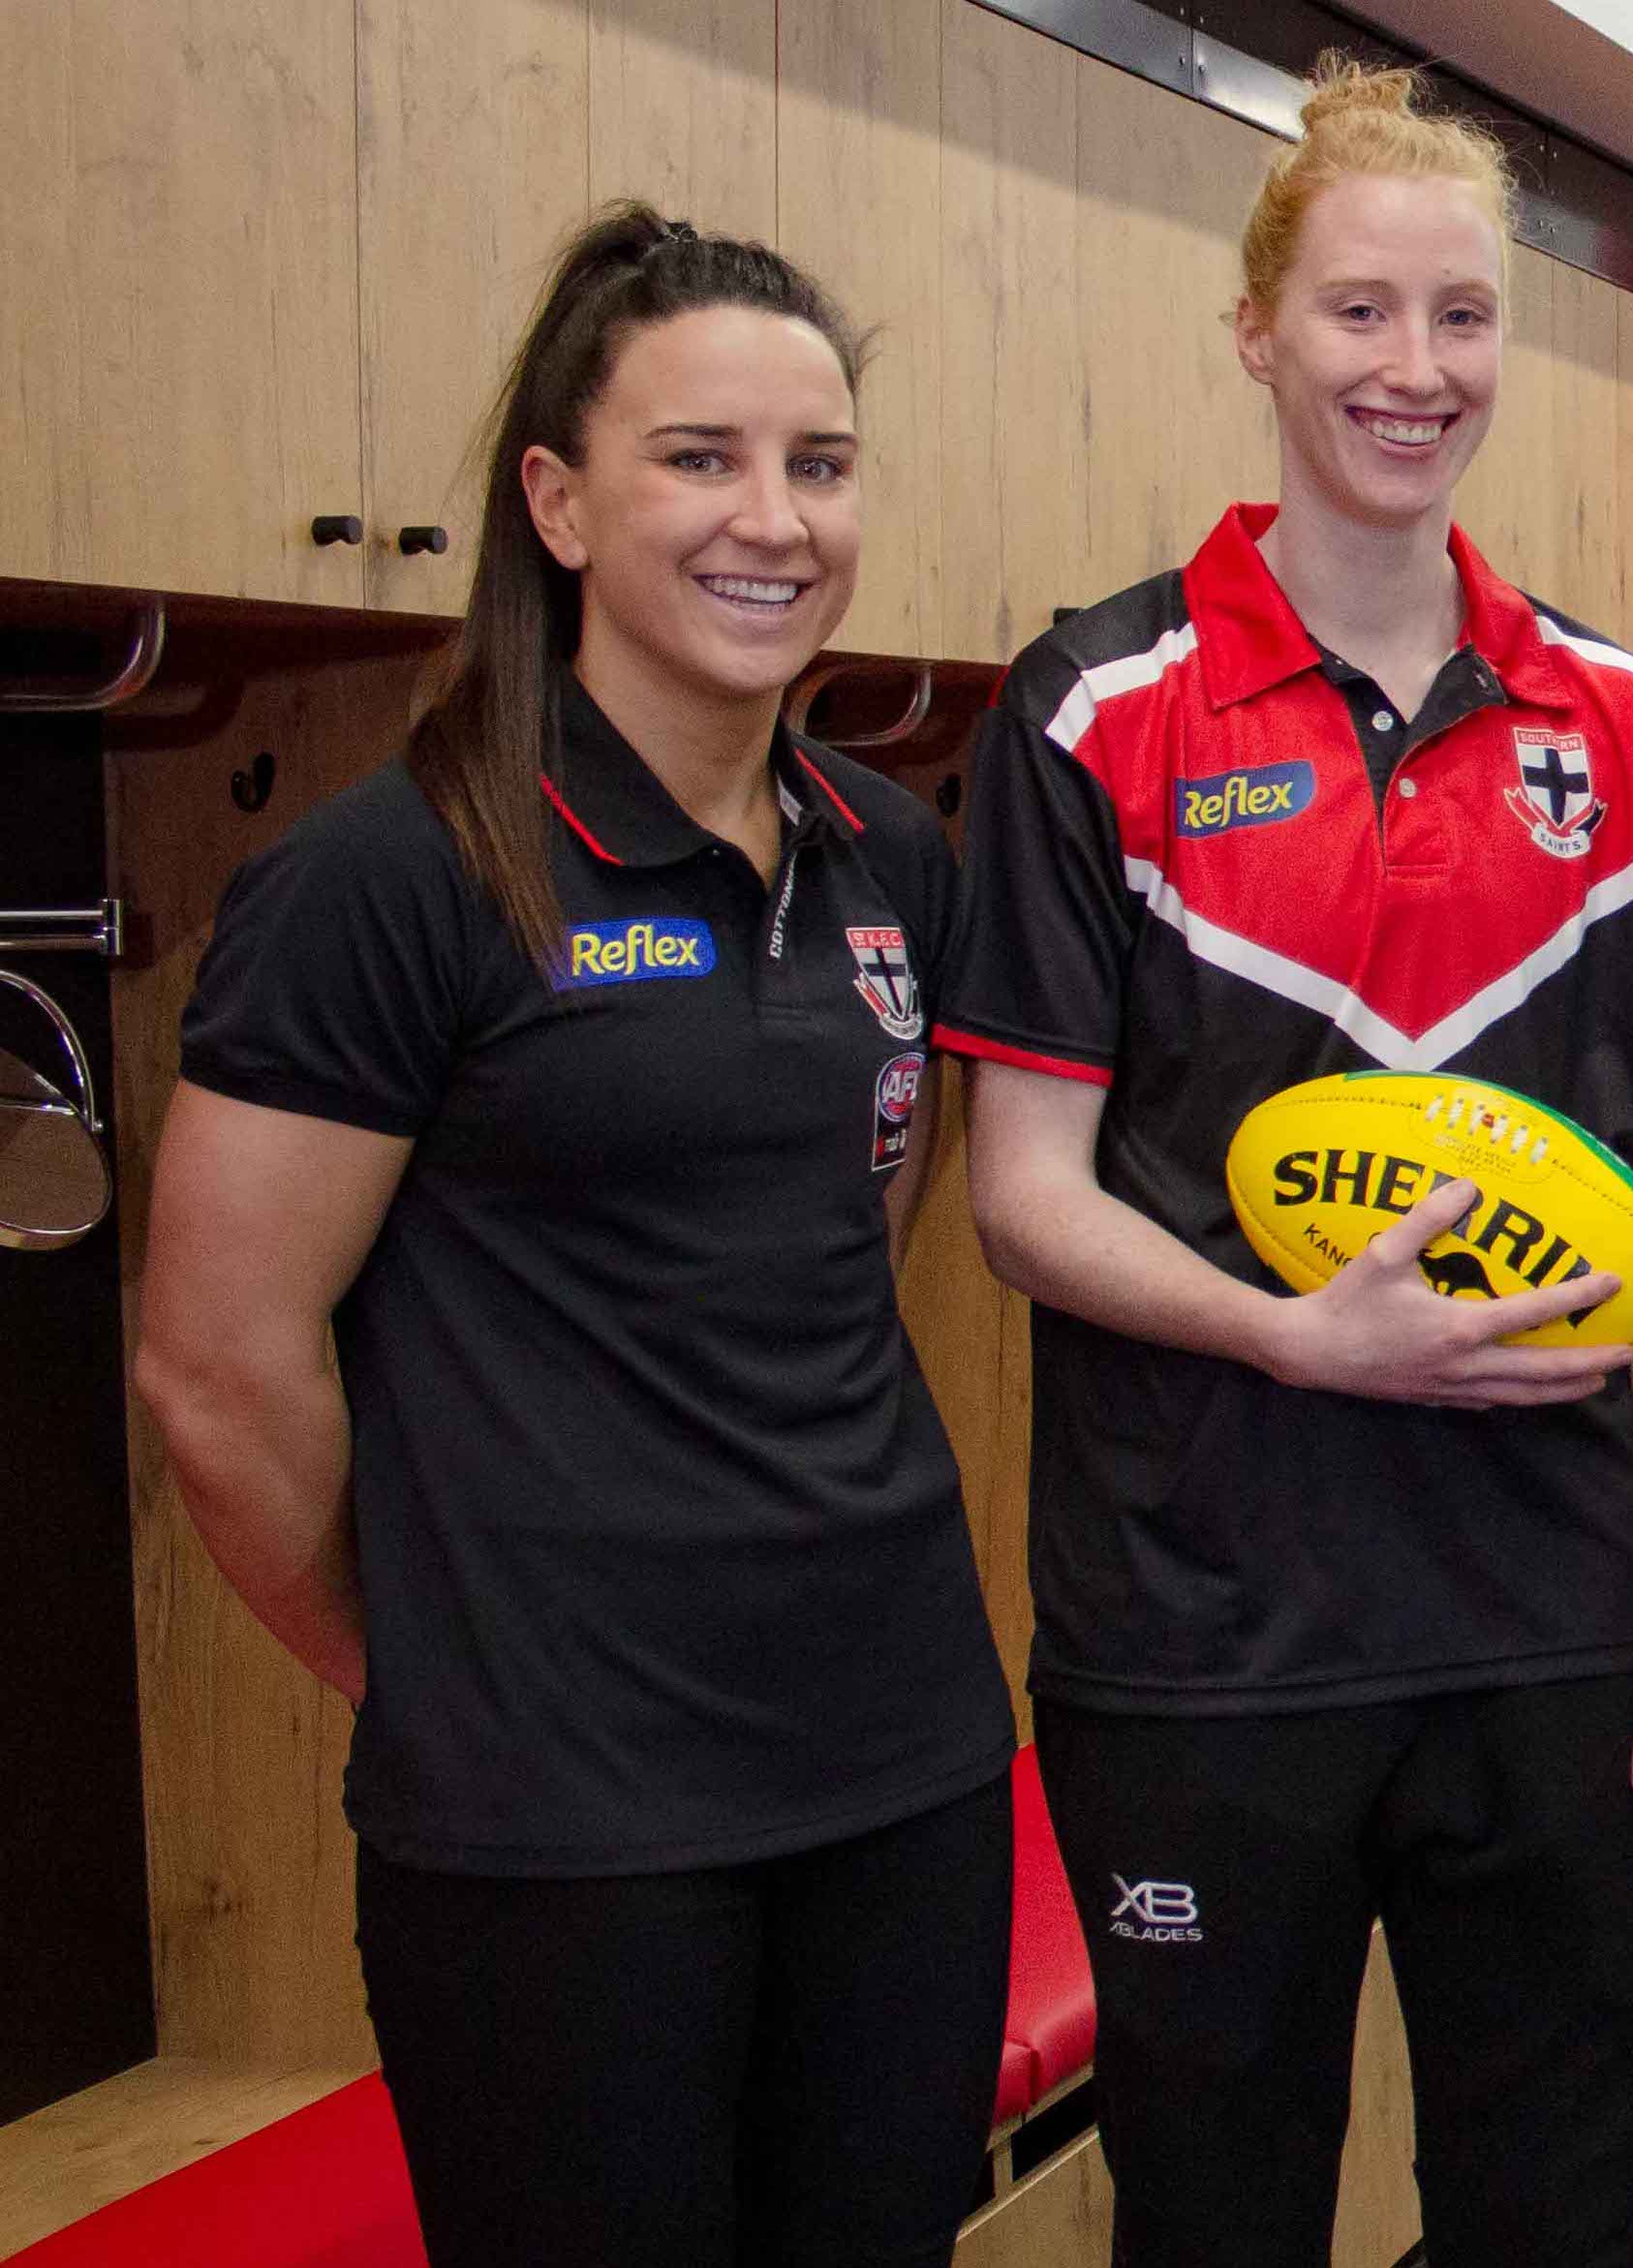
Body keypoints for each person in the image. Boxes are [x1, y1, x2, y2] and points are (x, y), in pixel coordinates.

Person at [134, 205, 1012, 2263]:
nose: (770, 520)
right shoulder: (399, 879)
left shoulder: (894, 855)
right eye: (696, 456)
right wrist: (428, 1663)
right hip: (564, 1831)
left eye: (818, 463)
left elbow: (845, 1224)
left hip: (904, 1769)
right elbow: (216, 1365)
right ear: (555, 496)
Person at [935, 59, 1633, 2267]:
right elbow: (1022, 1187)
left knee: (1557, 2221)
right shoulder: (1093, 709)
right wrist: (1303, 1340)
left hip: (1556, 1616)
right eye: (1364, 315)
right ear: (1258, 329)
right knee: (1217, 2226)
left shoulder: (1626, 719)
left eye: (1463, 319)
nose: (1417, 370)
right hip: (1204, 1637)